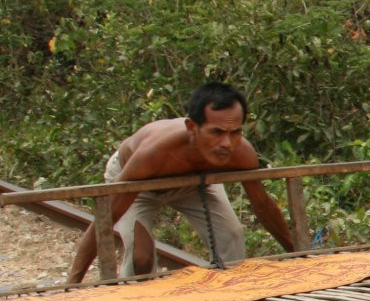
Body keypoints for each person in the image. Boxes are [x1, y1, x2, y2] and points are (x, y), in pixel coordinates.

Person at [65, 81, 297, 283]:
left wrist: (300, 255)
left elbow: (262, 205)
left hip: (197, 181)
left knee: (232, 235)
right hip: (139, 185)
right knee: (141, 257)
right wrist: (73, 283)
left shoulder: (239, 151)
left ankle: (231, 296)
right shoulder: (154, 154)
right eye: (216, 132)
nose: (227, 143)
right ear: (192, 128)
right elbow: (106, 219)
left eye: (235, 132)